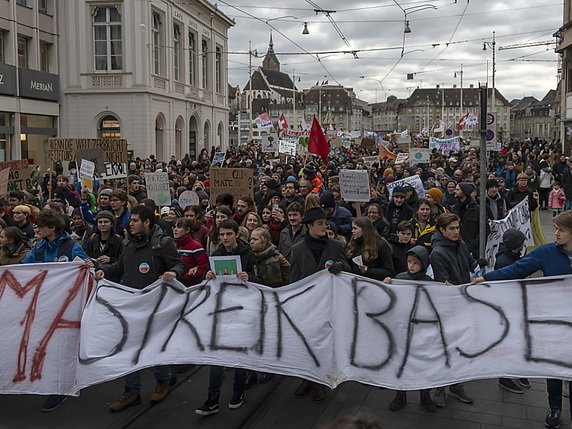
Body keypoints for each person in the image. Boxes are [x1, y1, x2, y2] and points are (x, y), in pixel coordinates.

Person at [474, 211, 572, 429]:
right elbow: (518, 268)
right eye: (554, 228)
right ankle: (554, 408)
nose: (555, 233)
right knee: (554, 367)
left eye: (561, 230)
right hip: (555, 322)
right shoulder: (547, 252)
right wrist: (487, 278)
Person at [95, 205, 185, 412]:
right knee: (129, 347)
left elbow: (179, 265)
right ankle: (131, 391)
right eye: (130, 221)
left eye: (135, 220)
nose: (130, 224)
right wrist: (102, 271)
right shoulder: (128, 243)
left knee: (154, 345)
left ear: (147, 222)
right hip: (131, 305)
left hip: (155, 306)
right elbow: (120, 266)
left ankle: (163, 380)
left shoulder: (162, 244)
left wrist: (174, 273)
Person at [22, 208, 90, 412]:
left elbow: (86, 269)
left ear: (51, 227)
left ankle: (61, 388)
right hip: (45, 307)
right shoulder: (39, 248)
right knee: (48, 348)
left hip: (67, 309)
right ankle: (56, 383)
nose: (37, 229)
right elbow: (24, 270)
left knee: (64, 348)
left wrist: (89, 265)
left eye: (40, 226)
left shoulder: (72, 247)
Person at [196, 219, 260, 416]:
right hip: (222, 311)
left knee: (238, 352)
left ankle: (238, 391)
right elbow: (210, 281)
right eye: (221, 235)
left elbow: (264, 281)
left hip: (243, 310)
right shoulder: (217, 254)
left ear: (236, 235)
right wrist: (207, 276)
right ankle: (212, 399)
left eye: (228, 234)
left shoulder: (249, 254)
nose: (224, 238)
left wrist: (249, 277)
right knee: (217, 355)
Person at [290, 207, 350, 402]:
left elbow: (349, 270)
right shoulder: (297, 249)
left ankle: (321, 381)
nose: (324, 226)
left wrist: (342, 267)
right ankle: (308, 379)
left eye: (325, 223)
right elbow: (295, 278)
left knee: (325, 344)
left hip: (330, 304)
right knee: (307, 344)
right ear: (309, 227)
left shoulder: (336, 246)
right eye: (319, 224)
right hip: (308, 304)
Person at [429, 213, 476, 407]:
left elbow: (468, 265)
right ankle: (440, 388)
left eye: (458, 228)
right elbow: (443, 284)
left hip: (463, 303)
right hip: (448, 308)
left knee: (459, 348)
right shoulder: (438, 253)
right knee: (445, 348)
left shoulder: (461, 245)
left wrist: (478, 263)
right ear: (442, 230)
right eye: (452, 229)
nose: (457, 232)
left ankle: (456, 385)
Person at [383, 245, 436, 413]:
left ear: (424, 264)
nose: (411, 266)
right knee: (402, 362)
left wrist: (447, 290)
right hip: (403, 329)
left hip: (422, 330)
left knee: (423, 363)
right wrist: (387, 284)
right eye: (409, 262)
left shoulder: (429, 282)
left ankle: (425, 395)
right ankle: (400, 395)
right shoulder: (400, 278)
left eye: (415, 263)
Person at [491, 228, 530, 395]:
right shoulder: (505, 262)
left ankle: (517, 372)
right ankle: (505, 378)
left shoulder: (511, 257)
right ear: (516, 246)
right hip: (508, 311)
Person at [172, 217, 208, 286]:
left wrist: (191, 275)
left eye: (179, 227)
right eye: (174, 227)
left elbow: (203, 268)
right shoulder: (172, 245)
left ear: (187, 230)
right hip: (173, 285)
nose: (175, 230)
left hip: (190, 287)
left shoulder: (196, 246)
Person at [451, 182, 480, 258]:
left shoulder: (476, 209)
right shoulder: (454, 209)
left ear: (464, 192)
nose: (455, 191)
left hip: (473, 250)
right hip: (457, 248)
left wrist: (475, 243)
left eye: (457, 189)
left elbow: (484, 229)